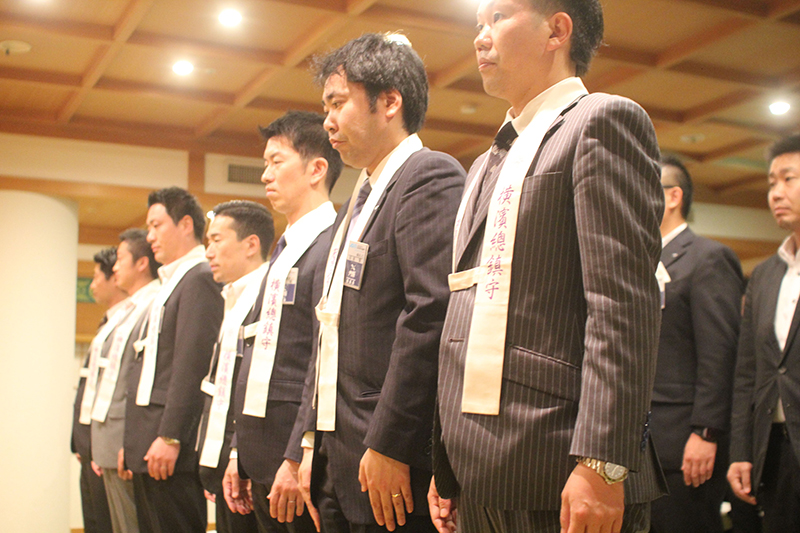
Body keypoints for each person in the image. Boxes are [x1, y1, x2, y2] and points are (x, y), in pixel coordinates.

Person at [429, 1, 666, 532]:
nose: (480, 38)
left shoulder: (601, 120)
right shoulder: (484, 161)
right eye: (477, 25)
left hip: (560, 458)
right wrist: (446, 460)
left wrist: (603, 462)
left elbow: (623, 304)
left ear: (557, 30)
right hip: (476, 463)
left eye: (497, 19)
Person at [296, 33, 466, 533]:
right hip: (337, 452)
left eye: (338, 103)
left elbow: (430, 314)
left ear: (390, 102)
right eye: (325, 108)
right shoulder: (359, 198)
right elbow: (330, 330)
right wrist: (309, 442)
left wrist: (391, 442)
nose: (327, 121)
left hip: (390, 455)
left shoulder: (428, 175)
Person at [222, 111, 341, 533]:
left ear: (316, 169)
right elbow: (256, 355)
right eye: (265, 163)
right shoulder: (282, 249)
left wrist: (295, 455)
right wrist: (238, 450)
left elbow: (320, 358)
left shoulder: (331, 243)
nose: (265, 174)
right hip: (258, 449)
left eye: (276, 161)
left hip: (296, 456)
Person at [649, 156, 743, 532]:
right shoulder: (637, 259)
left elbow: (720, 352)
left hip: (684, 442)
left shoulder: (707, 258)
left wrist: (706, 431)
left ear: (673, 197)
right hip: (638, 442)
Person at [124, 187, 224, 533]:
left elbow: (192, 363)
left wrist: (170, 436)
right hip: (149, 435)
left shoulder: (199, 277)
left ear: (185, 224)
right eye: (148, 228)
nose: (150, 236)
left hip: (168, 442)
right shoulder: (172, 280)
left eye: (157, 225)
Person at [728, 134, 800, 531]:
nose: (776, 192)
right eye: (772, 182)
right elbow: (747, 372)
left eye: (789, 179)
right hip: (772, 448)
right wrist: (741, 450)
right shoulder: (765, 275)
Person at [196, 200, 274, 533]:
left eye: (217, 240)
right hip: (225, 463)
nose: (208, 252)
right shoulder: (232, 296)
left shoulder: (267, 294)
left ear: (251, 244)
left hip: (250, 461)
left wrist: (237, 455)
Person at [90, 229, 161, 533]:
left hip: (127, 437)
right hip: (110, 436)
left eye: (121, 259)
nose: (115, 267)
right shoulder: (127, 309)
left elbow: (139, 376)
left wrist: (129, 441)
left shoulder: (152, 303)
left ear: (142, 263)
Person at [72, 247, 127, 533]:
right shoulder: (107, 323)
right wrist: (80, 440)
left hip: (105, 447)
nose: (92, 285)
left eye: (96, 277)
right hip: (89, 445)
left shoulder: (127, 322)